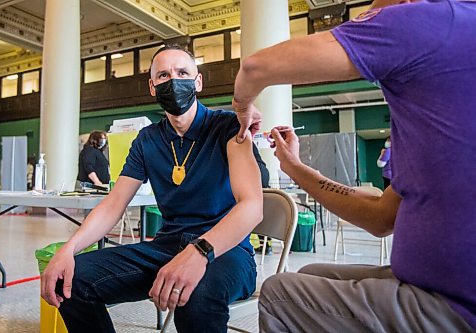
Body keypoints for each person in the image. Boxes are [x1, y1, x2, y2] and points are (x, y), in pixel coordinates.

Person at [232, 0, 476, 331]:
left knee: (279, 295)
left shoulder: (434, 18)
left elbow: (256, 66)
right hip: (441, 285)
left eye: (371, 9)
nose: (364, 18)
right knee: (308, 275)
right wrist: (294, 167)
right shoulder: (431, 107)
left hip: (457, 304)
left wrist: (243, 104)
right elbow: (381, 217)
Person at [41, 44, 263, 333]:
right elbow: (114, 203)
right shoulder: (147, 140)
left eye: (182, 72)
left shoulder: (228, 128)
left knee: (194, 294)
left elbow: (252, 205)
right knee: (70, 280)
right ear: (152, 86)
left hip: (225, 251)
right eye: (163, 75)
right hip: (167, 247)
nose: (173, 80)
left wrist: (199, 252)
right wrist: (68, 249)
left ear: (198, 82)